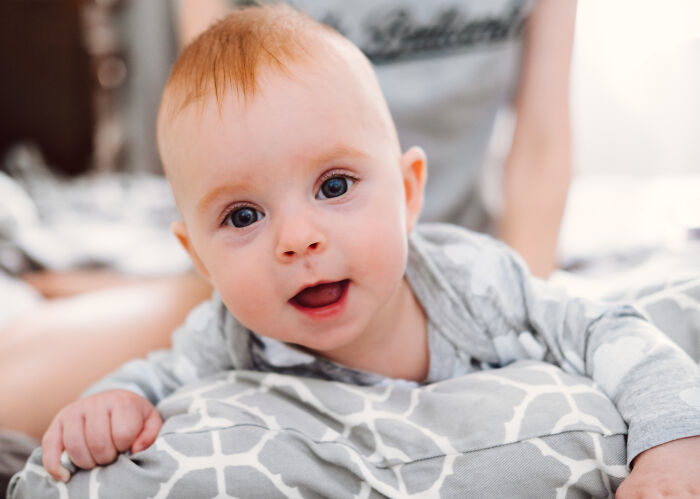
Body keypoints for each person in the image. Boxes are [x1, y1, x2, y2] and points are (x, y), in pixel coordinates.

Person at [36, 5, 699, 496]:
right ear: (200, 258)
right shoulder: (228, 334)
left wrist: (673, 440)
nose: (298, 238)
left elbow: (605, 328)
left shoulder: (475, 282)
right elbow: (154, 376)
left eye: (334, 185)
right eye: (243, 215)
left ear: (410, 191)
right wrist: (112, 399)